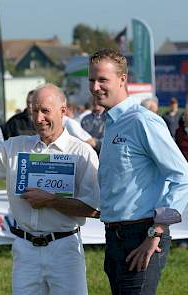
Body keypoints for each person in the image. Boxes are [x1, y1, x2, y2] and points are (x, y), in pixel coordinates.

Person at [0, 83, 100, 295]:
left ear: (63, 111)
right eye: (34, 111)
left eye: (45, 111)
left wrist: (51, 200)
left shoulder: (82, 153)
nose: (38, 119)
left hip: (65, 250)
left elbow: (94, 209)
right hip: (25, 250)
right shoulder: (15, 147)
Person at [88, 49, 188, 295]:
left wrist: (156, 232)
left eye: (103, 80)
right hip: (114, 236)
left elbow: (181, 175)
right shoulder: (112, 124)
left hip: (143, 234)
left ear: (123, 80)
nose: (95, 87)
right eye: (92, 80)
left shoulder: (143, 121)